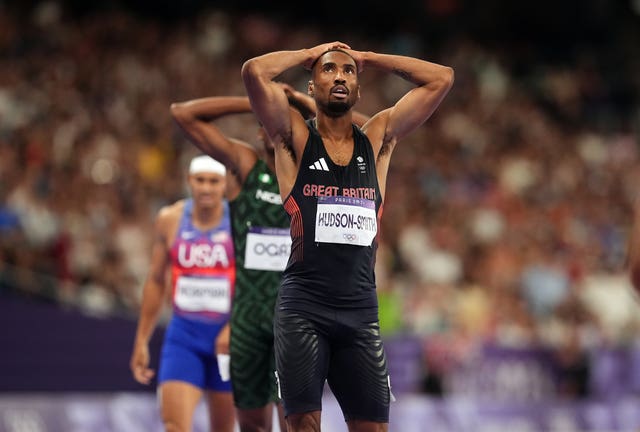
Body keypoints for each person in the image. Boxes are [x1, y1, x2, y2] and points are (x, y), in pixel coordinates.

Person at [241, 42, 454, 432]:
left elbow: (442, 78)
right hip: (303, 311)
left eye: (348, 71)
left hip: (360, 314)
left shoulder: (376, 140)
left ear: (358, 88)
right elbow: (254, 72)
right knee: (304, 426)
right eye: (328, 70)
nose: (339, 75)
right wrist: (308, 53)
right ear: (311, 85)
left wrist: (369, 58)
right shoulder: (293, 138)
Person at [170, 85, 369, 432]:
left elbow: (371, 134)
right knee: (250, 424)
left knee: (294, 421)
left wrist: (310, 104)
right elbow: (183, 114)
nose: (273, 128)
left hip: (296, 318)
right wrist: (253, 103)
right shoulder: (247, 166)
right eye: (266, 121)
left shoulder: (320, 170)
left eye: (281, 120)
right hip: (247, 321)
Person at [130, 155, 236, 432]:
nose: (206, 188)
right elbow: (155, 280)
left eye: (213, 181)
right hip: (184, 336)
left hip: (229, 340)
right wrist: (142, 339)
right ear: (189, 181)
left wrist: (234, 326)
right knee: (174, 426)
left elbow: (256, 283)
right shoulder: (170, 219)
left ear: (224, 185)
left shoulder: (239, 220)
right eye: (200, 180)